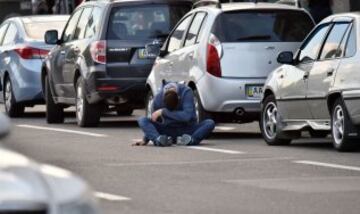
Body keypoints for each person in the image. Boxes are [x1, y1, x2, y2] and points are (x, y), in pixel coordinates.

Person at [136, 83, 215, 147]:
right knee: (142, 120)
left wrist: (164, 112)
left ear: (179, 97)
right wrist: (146, 139)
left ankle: (191, 140)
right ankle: (159, 140)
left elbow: (187, 116)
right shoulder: (157, 99)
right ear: (163, 100)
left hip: (187, 129)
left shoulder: (186, 92)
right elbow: (154, 122)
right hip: (167, 129)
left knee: (210, 123)